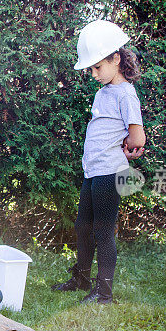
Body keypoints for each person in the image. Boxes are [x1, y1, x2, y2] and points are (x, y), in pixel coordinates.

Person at [52, 20, 145, 304]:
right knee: (83, 225)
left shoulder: (126, 93)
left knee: (103, 230)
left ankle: (104, 291)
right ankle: (81, 277)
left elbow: (137, 136)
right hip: (93, 171)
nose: (93, 74)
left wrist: (130, 149)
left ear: (116, 59)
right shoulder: (102, 92)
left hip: (110, 172)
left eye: (97, 67)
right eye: (90, 69)